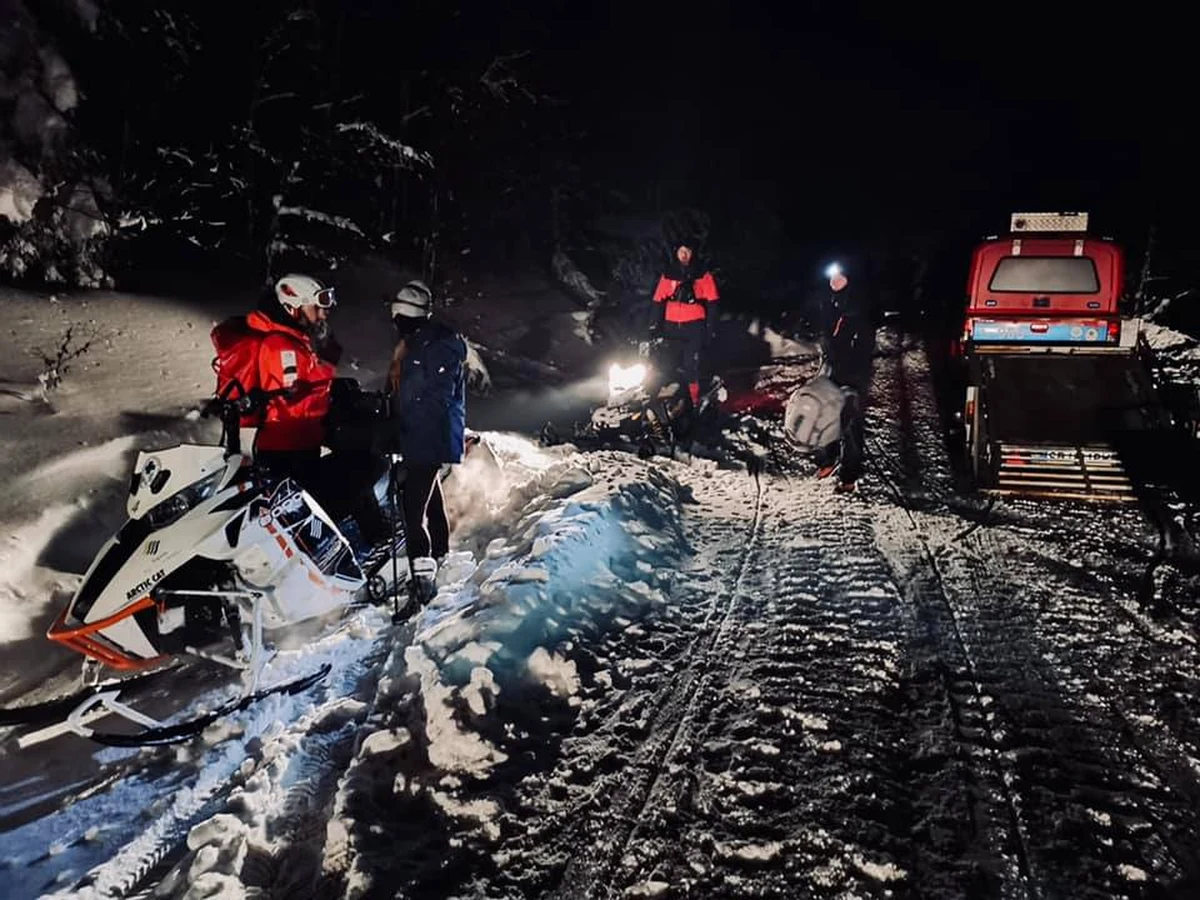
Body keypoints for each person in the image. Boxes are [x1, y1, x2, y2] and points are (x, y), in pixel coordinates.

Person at [241, 273, 389, 545]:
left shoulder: (295, 340)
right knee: (352, 476)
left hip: (302, 444)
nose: (323, 314)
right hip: (285, 450)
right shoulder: (280, 346)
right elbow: (292, 402)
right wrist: (328, 368)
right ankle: (320, 545)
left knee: (357, 468)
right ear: (293, 306)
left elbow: (304, 387)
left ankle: (376, 535)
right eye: (316, 307)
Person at [386, 279, 468, 604]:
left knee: (412, 508)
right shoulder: (415, 344)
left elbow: (437, 396)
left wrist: (405, 419)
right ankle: (442, 555)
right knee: (431, 501)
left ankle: (422, 578)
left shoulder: (437, 346)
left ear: (407, 316)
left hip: (430, 436)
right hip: (419, 435)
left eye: (398, 319)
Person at [813, 262, 876, 493]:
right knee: (827, 414)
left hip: (854, 372)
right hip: (833, 368)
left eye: (840, 278)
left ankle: (849, 476)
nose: (835, 282)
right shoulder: (829, 302)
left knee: (850, 422)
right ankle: (828, 461)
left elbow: (865, 342)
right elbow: (826, 333)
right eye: (832, 278)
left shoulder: (858, 305)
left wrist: (851, 364)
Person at [650, 243, 719, 407]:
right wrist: (654, 325)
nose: (684, 255)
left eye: (687, 251)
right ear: (676, 253)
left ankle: (694, 400)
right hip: (671, 326)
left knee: (691, 365)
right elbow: (658, 300)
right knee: (667, 364)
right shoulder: (669, 274)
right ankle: (667, 401)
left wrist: (710, 329)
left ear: (692, 253)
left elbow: (712, 302)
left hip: (694, 326)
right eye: (681, 251)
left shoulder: (702, 274)